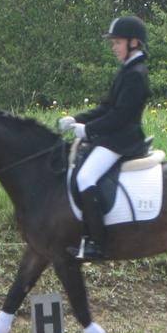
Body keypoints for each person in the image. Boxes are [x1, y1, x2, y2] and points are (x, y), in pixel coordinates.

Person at [57, 15, 151, 260]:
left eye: (117, 42)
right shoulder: (126, 70)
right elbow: (107, 107)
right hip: (114, 136)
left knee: (86, 177)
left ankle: (97, 243)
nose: (114, 47)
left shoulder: (136, 74)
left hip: (124, 140)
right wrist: (76, 119)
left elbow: (120, 116)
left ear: (133, 43)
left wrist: (87, 130)